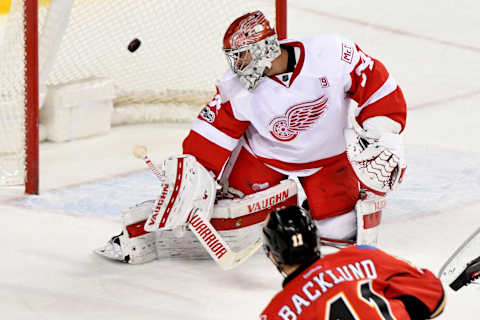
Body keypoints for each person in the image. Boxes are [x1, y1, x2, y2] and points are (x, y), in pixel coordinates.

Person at [182, 10, 407, 243]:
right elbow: (212, 131)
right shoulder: (234, 87)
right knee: (237, 224)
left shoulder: (330, 53)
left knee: (339, 229)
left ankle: (320, 206)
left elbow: (376, 84)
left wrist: (382, 134)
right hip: (263, 158)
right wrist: (195, 176)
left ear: (265, 49)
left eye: (243, 55)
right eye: (235, 57)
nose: (237, 65)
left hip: (327, 160)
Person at [260, 206, 446, 320]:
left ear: (274, 256)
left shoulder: (276, 313)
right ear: (315, 240)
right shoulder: (363, 257)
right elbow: (434, 296)